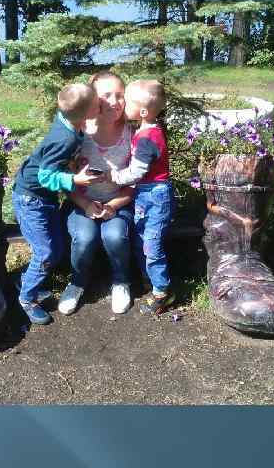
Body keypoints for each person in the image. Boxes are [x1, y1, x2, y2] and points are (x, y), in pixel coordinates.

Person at [12, 83, 102, 325]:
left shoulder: (70, 123)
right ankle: (26, 298)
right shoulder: (64, 138)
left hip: (44, 198)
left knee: (57, 246)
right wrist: (75, 179)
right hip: (30, 199)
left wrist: (73, 165)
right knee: (46, 252)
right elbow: (45, 177)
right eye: (97, 103)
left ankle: (26, 281)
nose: (101, 104)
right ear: (86, 113)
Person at [59, 72, 136, 315]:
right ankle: (77, 282)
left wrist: (114, 204)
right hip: (81, 202)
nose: (114, 101)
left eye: (120, 95)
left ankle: (121, 281)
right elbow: (66, 179)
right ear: (92, 100)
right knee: (84, 237)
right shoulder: (79, 133)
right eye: (106, 95)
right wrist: (85, 204)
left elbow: (136, 181)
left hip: (119, 203)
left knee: (115, 236)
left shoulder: (132, 133)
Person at [109, 79, 175, 315]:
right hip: (145, 194)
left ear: (144, 112)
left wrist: (115, 177)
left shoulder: (148, 137)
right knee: (141, 239)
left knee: (152, 245)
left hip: (155, 195)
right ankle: (150, 280)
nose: (123, 106)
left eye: (128, 103)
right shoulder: (145, 131)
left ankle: (163, 292)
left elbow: (137, 171)